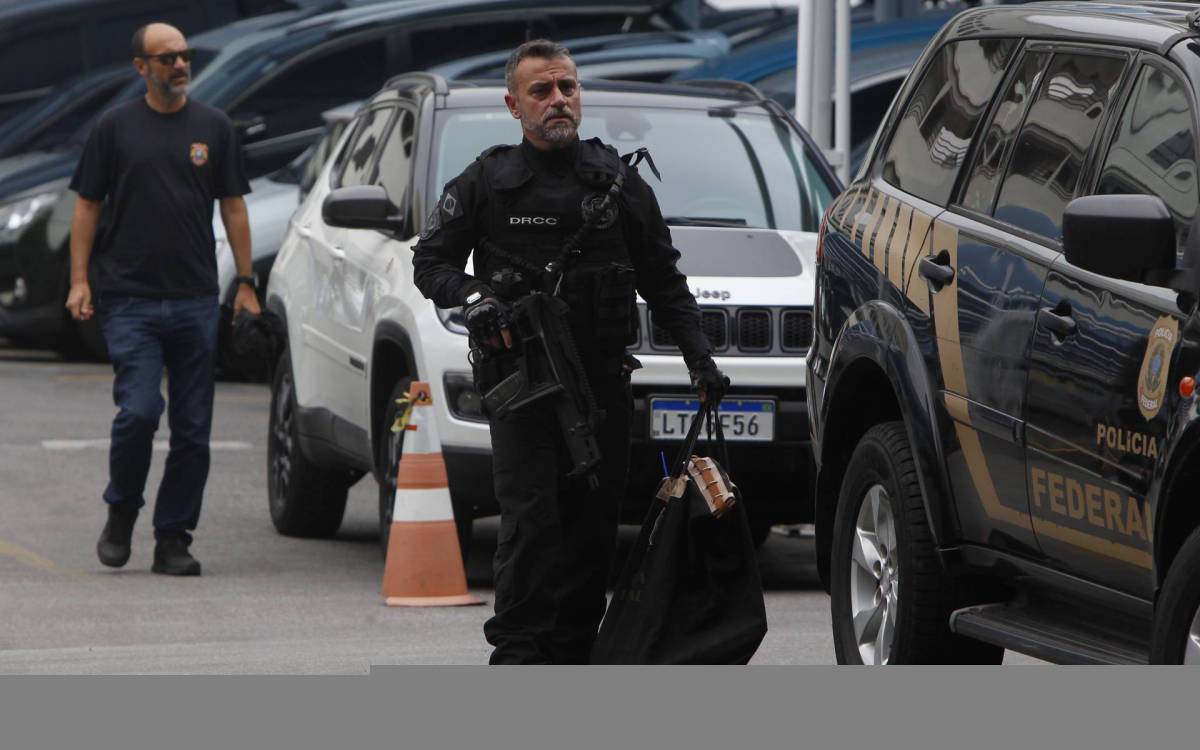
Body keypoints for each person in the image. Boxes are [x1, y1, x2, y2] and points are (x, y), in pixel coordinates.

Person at [412, 39, 728, 664]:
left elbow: (663, 281)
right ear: (514, 105)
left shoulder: (618, 183)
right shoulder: (487, 181)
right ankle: (521, 658)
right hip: (523, 389)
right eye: (542, 91)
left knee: (592, 532)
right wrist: (476, 300)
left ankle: (577, 657)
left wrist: (701, 361)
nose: (558, 101)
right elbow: (432, 261)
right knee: (532, 527)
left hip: (603, 391)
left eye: (567, 88)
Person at [65, 22, 259, 576]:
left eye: (184, 55)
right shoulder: (114, 128)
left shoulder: (213, 128)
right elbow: (86, 207)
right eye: (167, 57)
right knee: (140, 411)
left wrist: (245, 283)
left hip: (195, 296)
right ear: (141, 68)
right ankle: (122, 510)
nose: (179, 64)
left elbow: (235, 207)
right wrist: (80, 280)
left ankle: (173, 537)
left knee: (194, 429)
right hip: (128, 298)